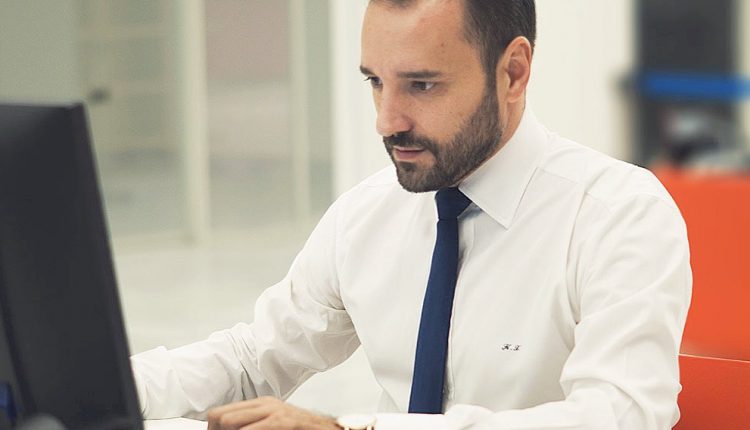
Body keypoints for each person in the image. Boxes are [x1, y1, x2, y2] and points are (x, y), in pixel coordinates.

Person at [131, 0, 692, 429]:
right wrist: (109, 387)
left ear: (514, 72)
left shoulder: (618, 215)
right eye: (376, 82)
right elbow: (254, 358)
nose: (387, 120)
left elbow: (620, 415)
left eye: (422, 85)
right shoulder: (368, 213)